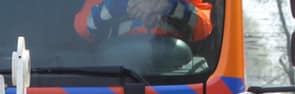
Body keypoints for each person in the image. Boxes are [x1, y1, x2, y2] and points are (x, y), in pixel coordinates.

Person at [75, 0, 213, 43]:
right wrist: (123, 5)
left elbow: (204, 27)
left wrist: (170, 6)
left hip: (173, 74)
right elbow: (82, 28)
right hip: (115, 73)